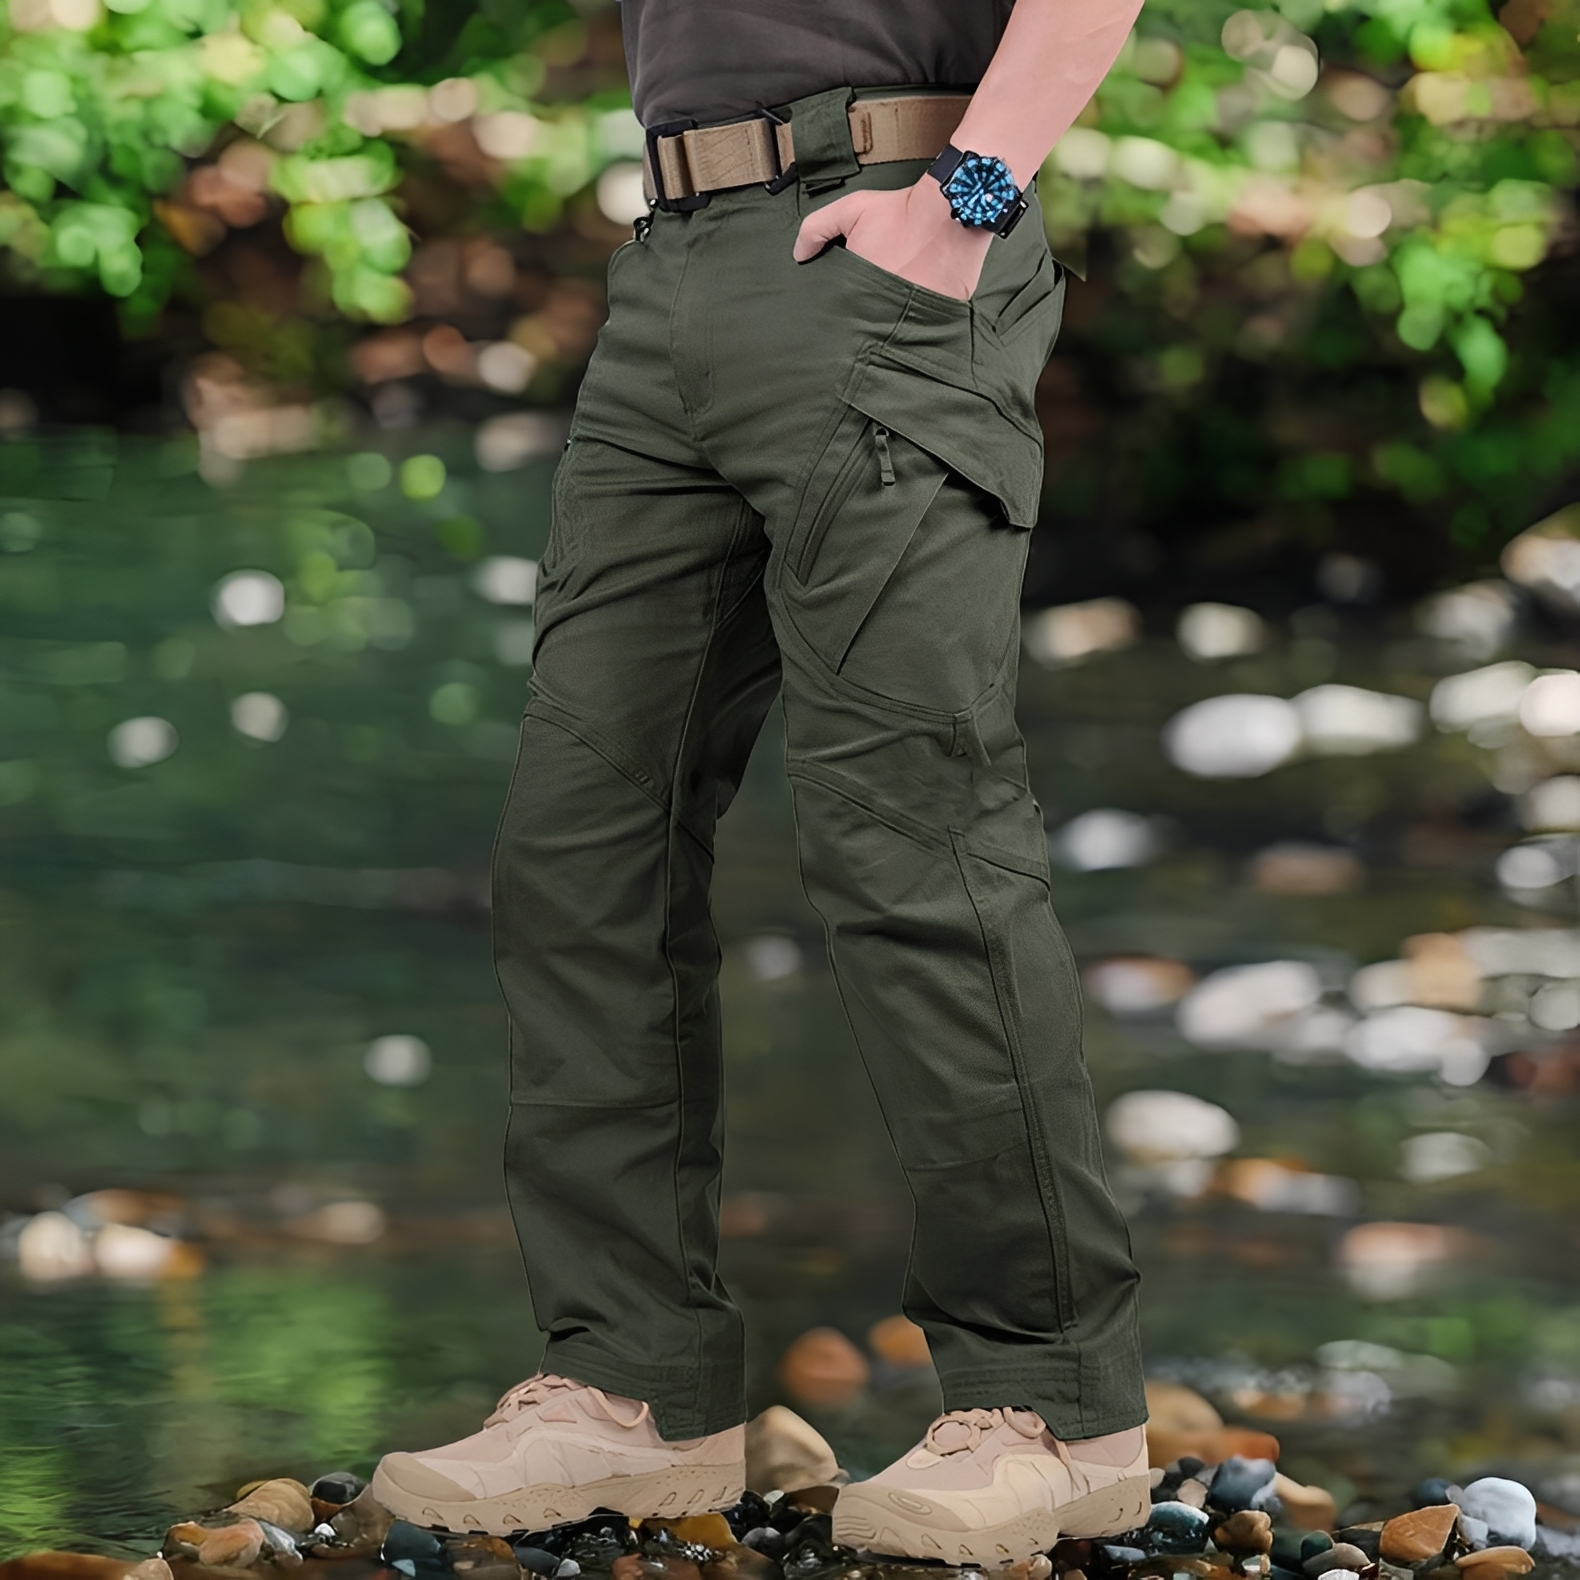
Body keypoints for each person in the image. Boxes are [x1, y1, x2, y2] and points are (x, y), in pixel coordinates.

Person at [372, 0, 1153, 1561]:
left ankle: (1054, 1401)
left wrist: (969, 199)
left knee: (912, 840)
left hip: (895, 227)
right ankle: (630, 1386)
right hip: (672, 258)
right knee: (580, 839)